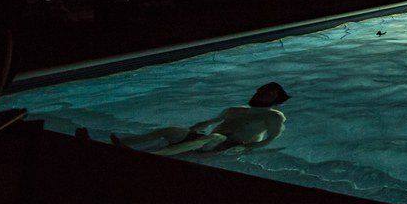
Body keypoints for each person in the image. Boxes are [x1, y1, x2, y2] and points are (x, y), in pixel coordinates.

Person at [109, 82, 289, 156]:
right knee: (172, 130)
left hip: (228, 146)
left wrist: (246, 147)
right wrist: (196, 127)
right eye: (262, 90)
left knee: (215, 137)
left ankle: (155, 155)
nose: (261, 93)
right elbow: (211, 122)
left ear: (276, 99)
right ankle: (125, 142)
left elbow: (270, 139)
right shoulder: (236, 110)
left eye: (268, 93)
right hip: (206, 140)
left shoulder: (273, 116)